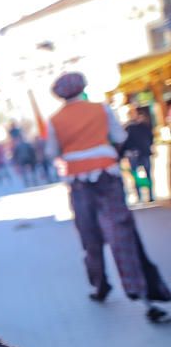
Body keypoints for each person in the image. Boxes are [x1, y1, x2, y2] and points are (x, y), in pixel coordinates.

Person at [46, 72, 170, 322]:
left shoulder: (55, 120)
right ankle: (144, 296)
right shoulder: (100, 109)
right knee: (122, 234)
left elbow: (52, 151)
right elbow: (120, 137)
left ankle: (99, 285)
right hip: (107, 177)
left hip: (79, 183)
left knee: (89, 235)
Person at [121, 106, 154, 202]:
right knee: (136, 175)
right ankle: (141, 196)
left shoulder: (142, 126)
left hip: (142, 153)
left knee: (145, 174)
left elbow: (150, 138)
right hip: (134, 154)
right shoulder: (129, 127)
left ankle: (149, 195)